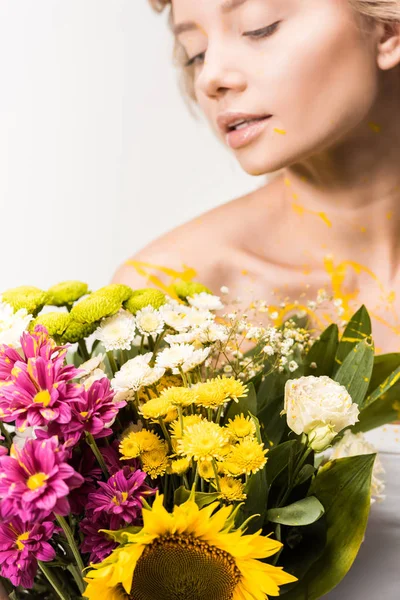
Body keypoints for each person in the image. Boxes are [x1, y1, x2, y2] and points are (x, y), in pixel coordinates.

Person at [110, 0, 400, 598]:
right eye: (194, 52)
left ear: (390, 29)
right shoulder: (170, 299)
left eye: (258, 27)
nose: (212, 74)